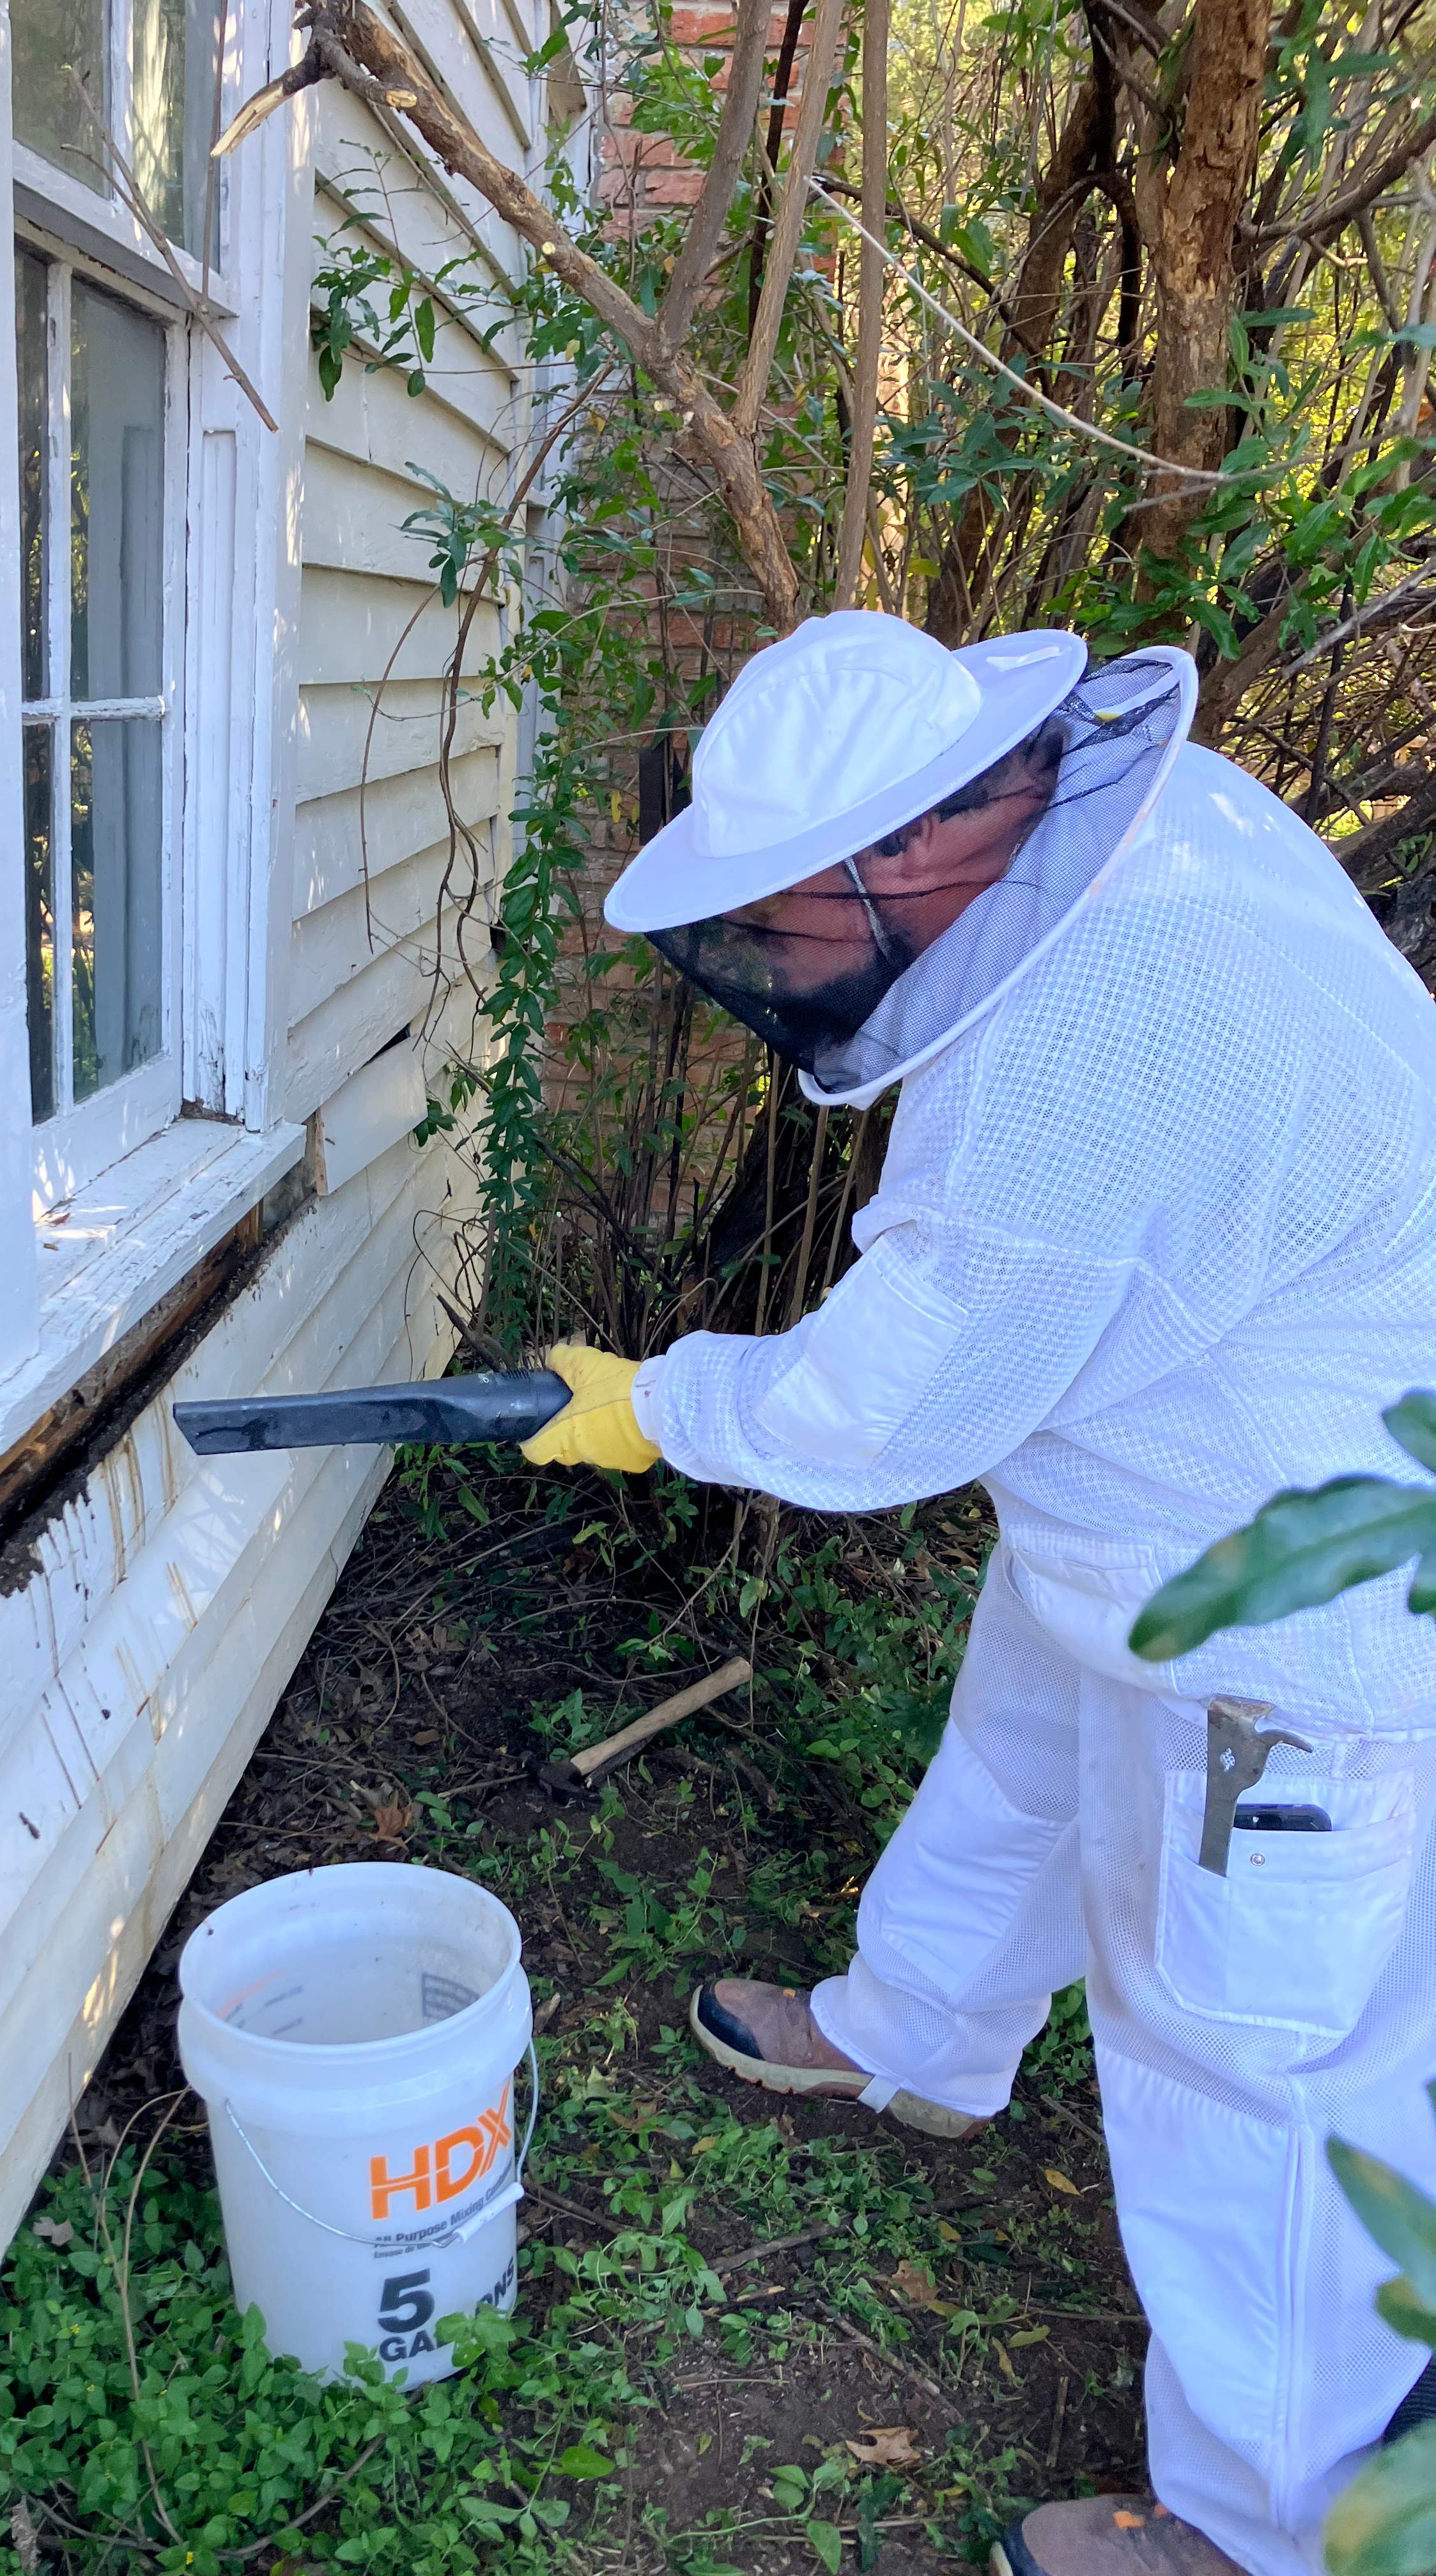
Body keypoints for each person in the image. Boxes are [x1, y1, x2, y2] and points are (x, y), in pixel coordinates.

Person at [518, 611, 1436, 2576]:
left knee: (1253, 2058)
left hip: (1303, 1599)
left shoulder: (1100, 1032)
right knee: (1017, 1765)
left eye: (782, 923)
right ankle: (919, 2033)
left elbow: (878, 1410)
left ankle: (1267, 2533)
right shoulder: (1138, 827)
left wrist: (650, 1409)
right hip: (1163, 1484)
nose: (766, 965)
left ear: (919, 847)